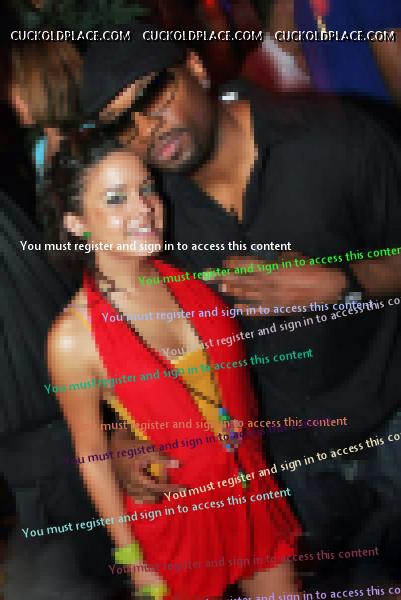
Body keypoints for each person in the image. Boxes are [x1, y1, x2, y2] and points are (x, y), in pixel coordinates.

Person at [80, 23, 401, 583]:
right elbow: (131, 345)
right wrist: (124, 436)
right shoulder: (149, 221)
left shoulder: (334, 140)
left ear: (196, 68)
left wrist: (343, 282)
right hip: (282, 466)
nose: (147, 128)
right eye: (121, 123)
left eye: (153, 94)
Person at [42, 133, 300, 600]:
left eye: (146, 189)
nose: (143, 208)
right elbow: (91, 456)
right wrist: (133, 561)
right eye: (116, 199)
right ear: (78, 224)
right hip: (176, 515)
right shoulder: (73, 338)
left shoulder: (188, 280)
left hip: (247, 488)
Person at [0, 41, 122, 600]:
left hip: (84, 331)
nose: (8, 98)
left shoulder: (80, 152)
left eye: (15, 86)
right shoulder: (39, 151)